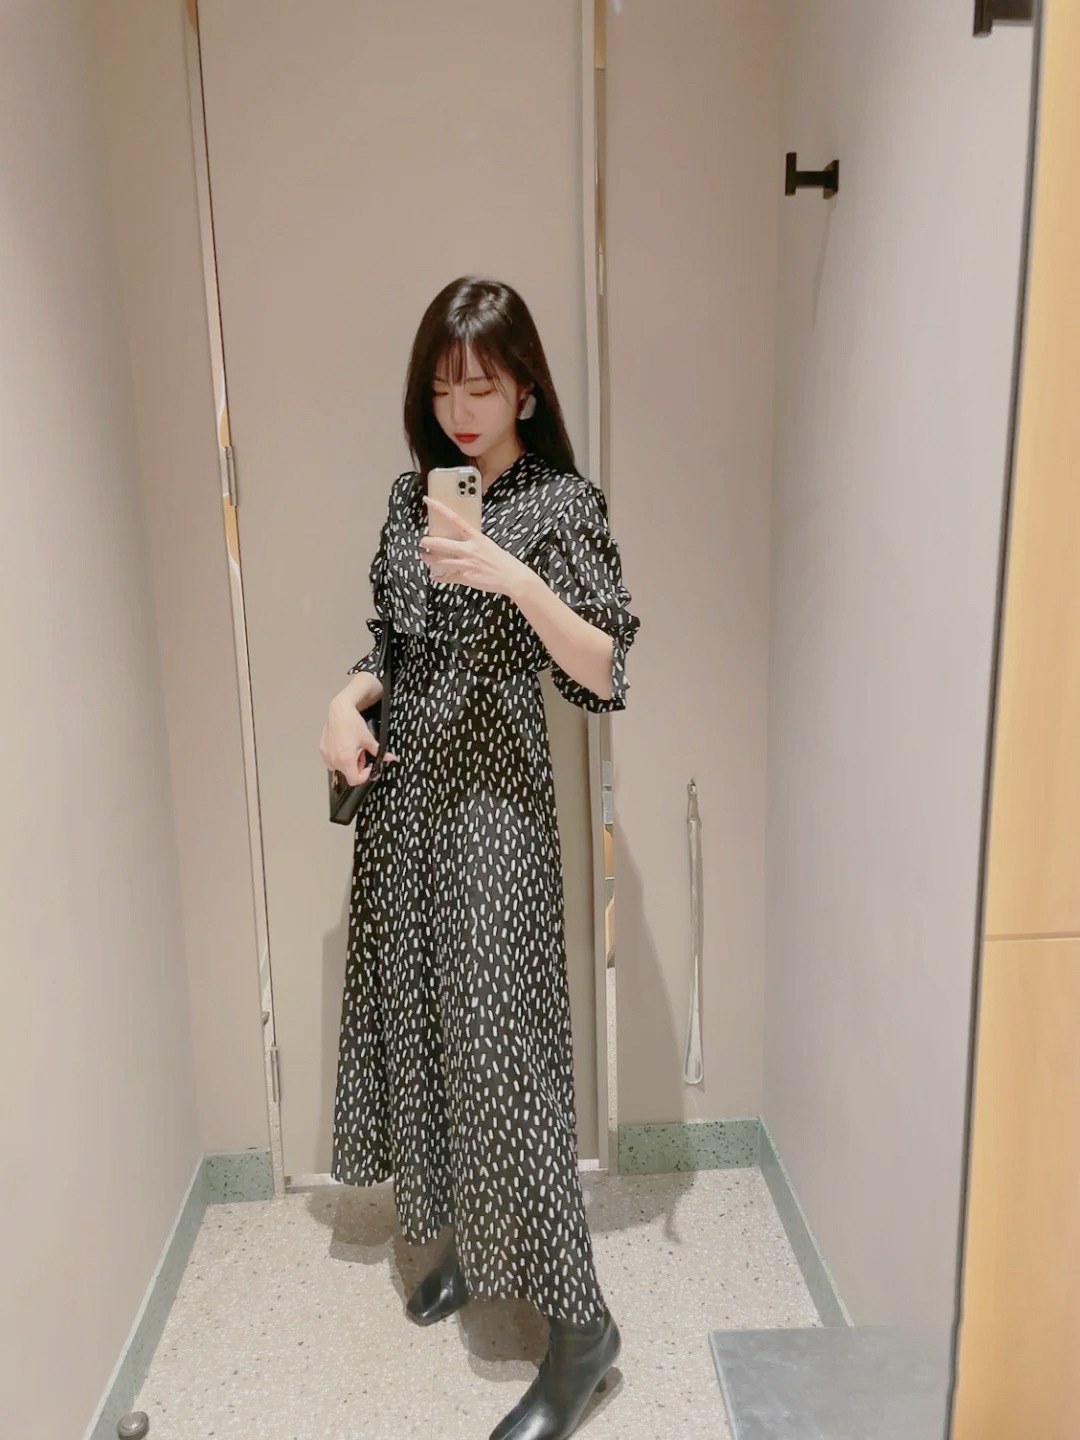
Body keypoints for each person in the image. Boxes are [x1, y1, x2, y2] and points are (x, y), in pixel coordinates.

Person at [319, 276, 639, 1440]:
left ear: (526, 391)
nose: (462, 412)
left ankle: (582, 1331)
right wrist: (344, 702)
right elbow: (390, 644)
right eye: (444, 389)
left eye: (484, 388)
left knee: (509, 1057)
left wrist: (512, 574)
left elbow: (605, 667)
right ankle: (467, 1242)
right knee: (430, 1032)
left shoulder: (560, 504)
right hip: (406, 805)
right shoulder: (412, 499)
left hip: (496, 814)